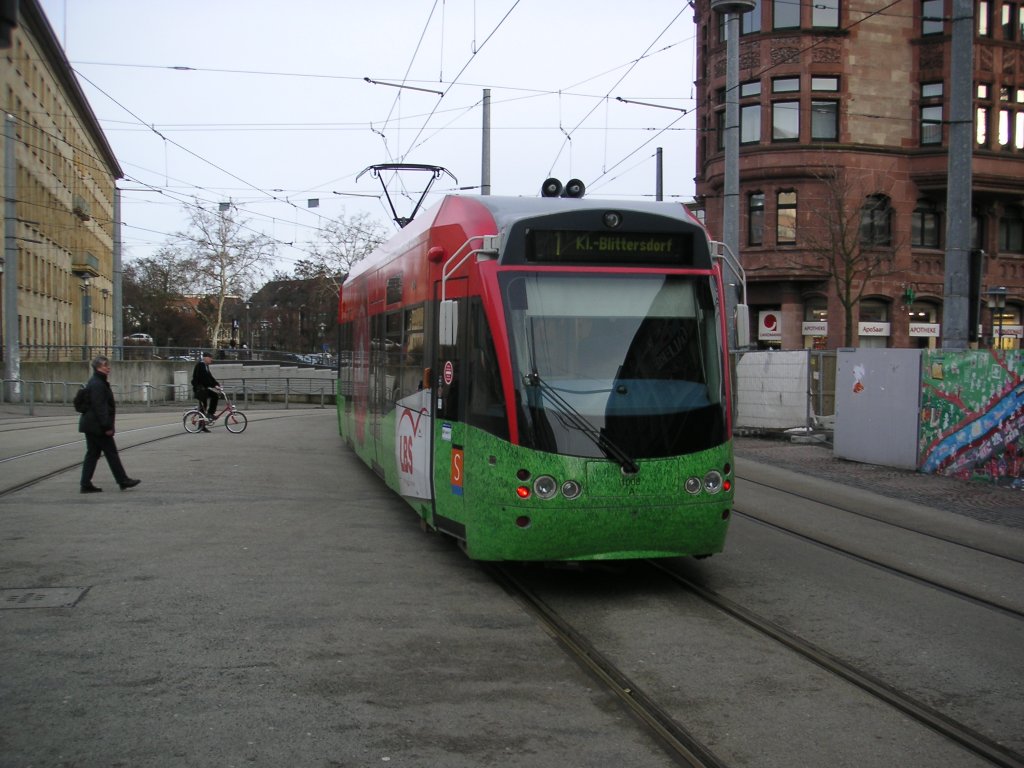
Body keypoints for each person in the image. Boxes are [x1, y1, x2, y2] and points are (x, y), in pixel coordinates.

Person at [79, 355, 141, 493]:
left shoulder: (97, 382)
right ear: (98, 367)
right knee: (110, 453)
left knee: (93, 454)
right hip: (97, 426)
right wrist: (107, 426)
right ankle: (122, 480)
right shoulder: (97, 384)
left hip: (91, 425)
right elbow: (100, 407)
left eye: (108, 365)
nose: (108, 368)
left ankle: (85, 484)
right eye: (105, 365)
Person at [191, 351, 221, 433]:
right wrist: (213, 386)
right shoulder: (200, 365)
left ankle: (203, 423)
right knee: (208, 402)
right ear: (205, 358)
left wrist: (217, 384)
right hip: (200, 390)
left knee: (208, 402)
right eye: (210, 358)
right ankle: (208, 417)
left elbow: (210, 377)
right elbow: (204, 379)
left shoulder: (206, 366)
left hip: (203, 389)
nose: (211, 359)